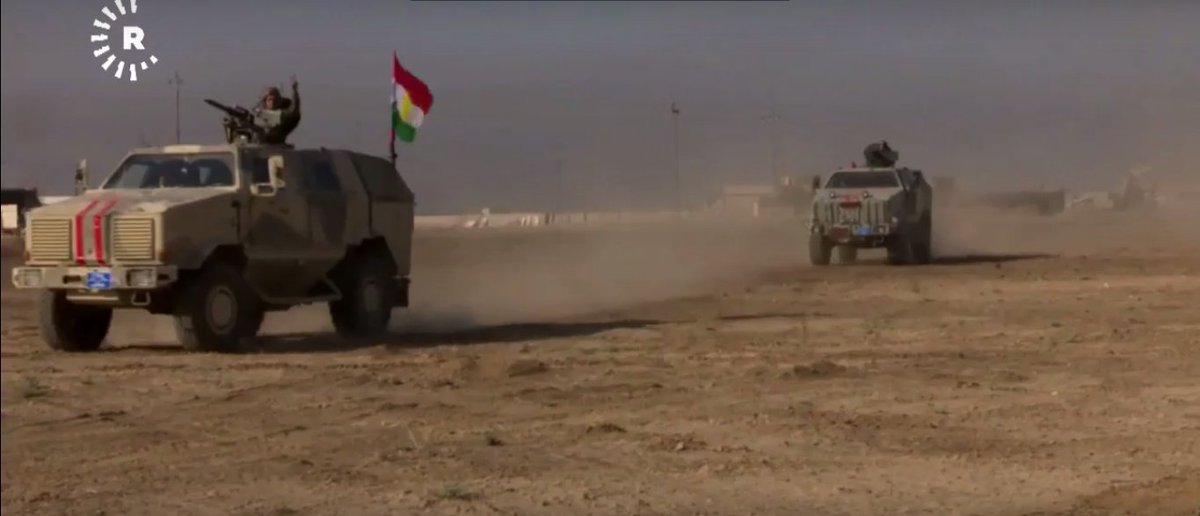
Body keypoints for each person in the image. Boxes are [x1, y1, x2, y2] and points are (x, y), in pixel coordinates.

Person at [254, 76, 301, 144]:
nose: (272, 102)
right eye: (269, 99)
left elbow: (294, 111)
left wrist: (294, 91)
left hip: (277, 147)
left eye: (275, 99)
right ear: (265, 102)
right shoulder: (259, 115)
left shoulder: (282, 116)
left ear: (280, 101)